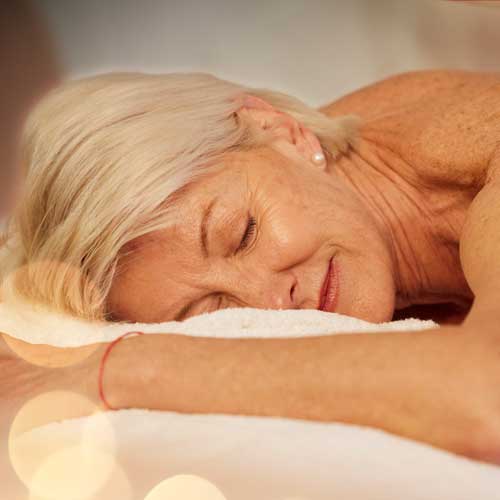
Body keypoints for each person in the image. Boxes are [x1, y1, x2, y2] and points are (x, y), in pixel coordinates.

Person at [1, 69, 500, 464]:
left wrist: (121, 367)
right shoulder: (312, 181)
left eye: (243, 234)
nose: (268, 302)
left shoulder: (477, 154)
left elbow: (488, 399)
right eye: (211, 309)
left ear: (283, 130)